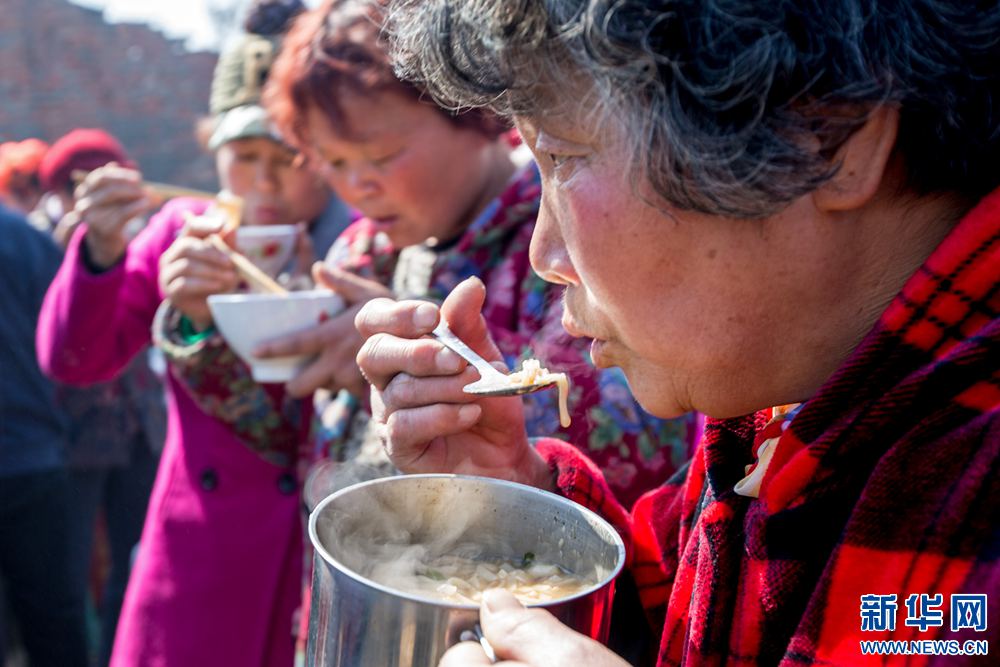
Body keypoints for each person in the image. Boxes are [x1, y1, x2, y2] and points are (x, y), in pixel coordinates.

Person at [355, 1, 1000, 665]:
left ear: (825, 139)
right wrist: (513, 496)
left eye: (564, 154)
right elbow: (672, 621)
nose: (544, 256)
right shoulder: (773, 405)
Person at [35, 2, 350, 664]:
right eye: (243, 155)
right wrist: (101, 252)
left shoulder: (361, 243)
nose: (262, 181)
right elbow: (74, 359)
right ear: (213, 149)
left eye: (287, 156)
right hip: (197, 559)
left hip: (319, 563)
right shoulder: (181, 232)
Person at [36, 128, 167, 667]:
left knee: (133, 561)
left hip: (138, 428)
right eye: (77, 183)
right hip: (72, 436)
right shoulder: (42, 243)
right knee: (67, 568)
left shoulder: (142, 237)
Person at [0, 204, 88, 667]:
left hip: (30, 450)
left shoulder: (21, 237)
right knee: (53, 616)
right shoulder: (24, 237)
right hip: (33, 453)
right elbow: (71, 334)